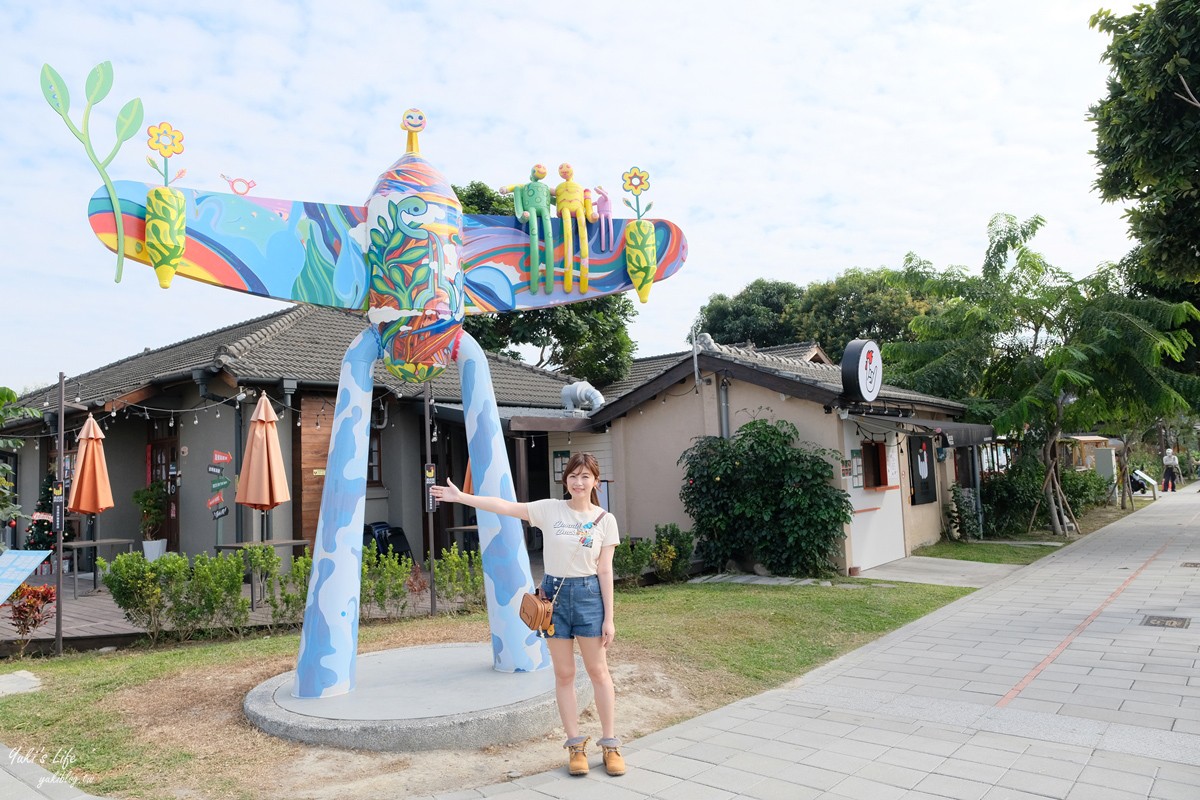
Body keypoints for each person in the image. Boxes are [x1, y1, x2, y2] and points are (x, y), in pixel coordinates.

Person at [429, 452, 624, 778]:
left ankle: (610, 744)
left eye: (585, 476)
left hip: (590, 597)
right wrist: (461, 496)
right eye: (573, 476)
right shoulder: (550, 509)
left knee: (598, 671)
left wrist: (609, 617)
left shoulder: (606, 520)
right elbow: (505, 506)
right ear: (566, 480)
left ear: (595, 481)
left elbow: (605, 571)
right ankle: (575, 746)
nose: (578, 482)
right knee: (564, 675)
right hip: (553, 598)